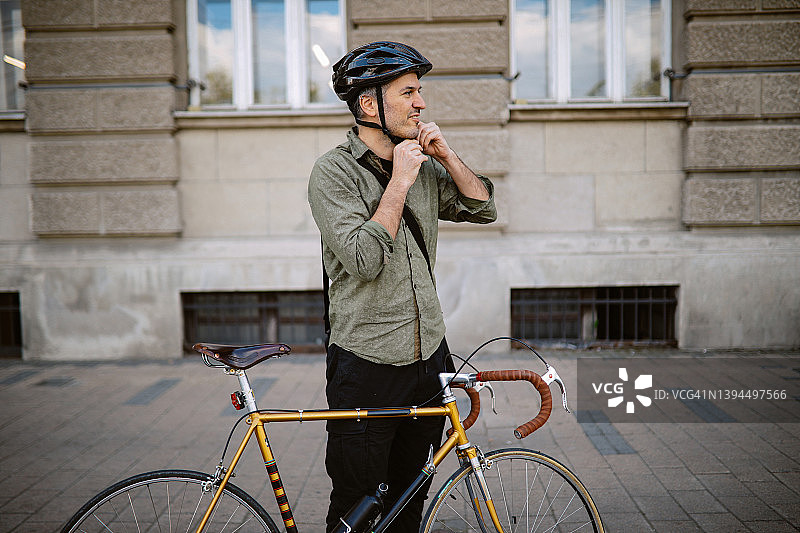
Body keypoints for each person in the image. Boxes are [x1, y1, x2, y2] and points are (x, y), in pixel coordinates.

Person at [307, 41, 497, 532]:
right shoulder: (333, 173)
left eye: (420, 92)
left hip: (428, 355)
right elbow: (365, 260)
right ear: (370, 105)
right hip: (366, 362)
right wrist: (398, 183)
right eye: (408, 92)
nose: (421, 103)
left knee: (410, 499)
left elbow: (483, 207)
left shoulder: (425, 166)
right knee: (358, 505)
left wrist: (446, 155)